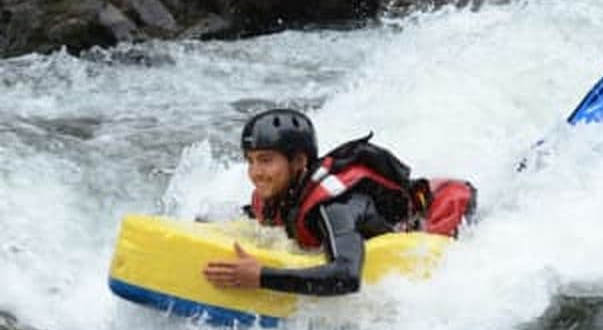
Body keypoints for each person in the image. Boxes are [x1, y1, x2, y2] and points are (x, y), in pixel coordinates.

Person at [202, 108, 476, 296]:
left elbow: (347, 276)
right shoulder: (279, 193)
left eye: (265, 160)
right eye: (250, 161)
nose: (256, 173)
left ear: (299, 162)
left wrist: (261, 277)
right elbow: (254, 217)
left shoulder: (334, 206)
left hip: (444, 213)